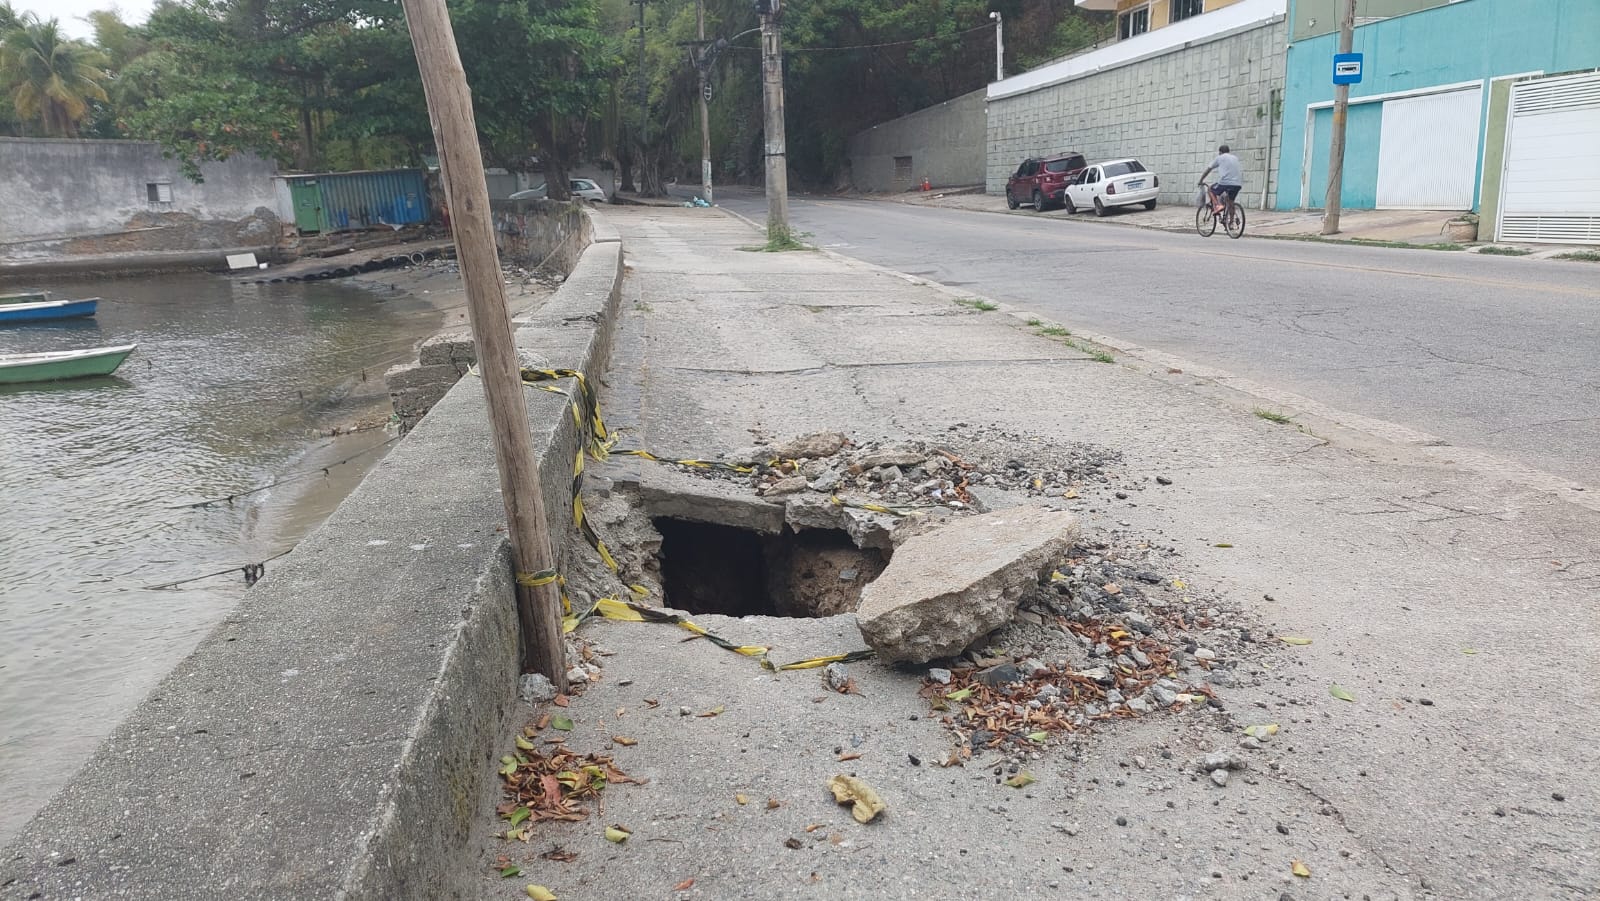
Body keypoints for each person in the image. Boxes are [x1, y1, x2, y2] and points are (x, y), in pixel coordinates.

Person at [1199, 144, 1243, 224]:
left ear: (1220, 152)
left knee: (1210, 189)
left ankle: (1218, 205)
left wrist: (1201, 180)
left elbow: (1208, 170)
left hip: (1226, 183)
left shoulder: (1219, 158)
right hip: (1238, 184)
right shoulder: (1235, 158)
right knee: (1230, 202)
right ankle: (1231, 224)